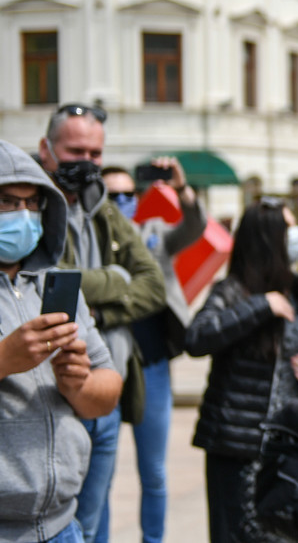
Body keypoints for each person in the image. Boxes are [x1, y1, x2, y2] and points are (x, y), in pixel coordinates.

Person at [38, 104, 167, 543]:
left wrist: (99, 310)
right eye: (75, 150)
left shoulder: (103, 209)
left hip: (108, 385)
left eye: (95, 153)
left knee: (94, 519)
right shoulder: (29, 204)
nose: (87, 162)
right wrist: (116, 279)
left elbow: (154, 285)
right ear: (46, 149)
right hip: (54, 391)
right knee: (60, 525)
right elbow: (50, 282)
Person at [0, 139, 122, 543]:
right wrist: (4, 360)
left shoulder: (55, 285)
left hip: (62, 525)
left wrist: (79, 384)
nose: (23, 215)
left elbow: (108, 388)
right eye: (6, 202)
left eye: (33, 204)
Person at [185, 200, 298, 542]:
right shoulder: (232, 290)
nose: (296, 237)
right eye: (289, 229)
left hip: (285, 446)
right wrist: (260, 306)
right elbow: (197, 337)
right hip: (236, 444)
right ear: (268, 239)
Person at [100, 160, 205, 543]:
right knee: (101, 471)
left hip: (152, 365)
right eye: (114, 196)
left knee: (154, 472)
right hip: (105, 368)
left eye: (130, 194)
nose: (124, 202)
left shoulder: (154, 234)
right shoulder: (89, 240)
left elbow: (194, 228)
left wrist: (181, 190)